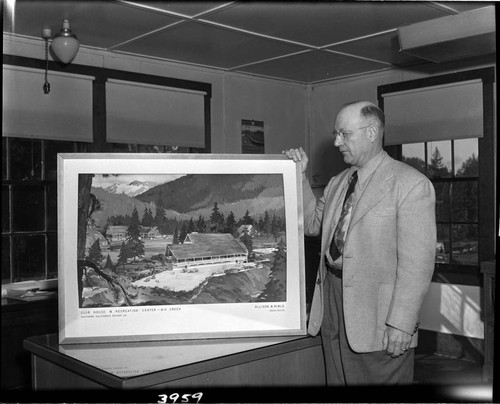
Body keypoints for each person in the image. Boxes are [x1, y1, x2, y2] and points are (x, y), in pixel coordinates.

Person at [283, 101, 436, 385]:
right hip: (332, 302)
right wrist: (299, 175)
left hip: (378, 316)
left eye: (345, 134)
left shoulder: (411, 184)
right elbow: (312, 225)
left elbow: (418, 265)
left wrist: (401, 324)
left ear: (372, 132)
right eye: (335, 134)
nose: (337, 141)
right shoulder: (338, 182)